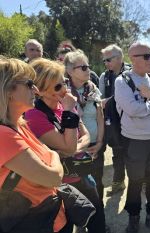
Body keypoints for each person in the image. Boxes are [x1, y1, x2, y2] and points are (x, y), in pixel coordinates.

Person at [25, 58, 106, 233]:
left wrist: (70, 148)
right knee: (66, 225)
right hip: (60, 185)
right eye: (57, 87)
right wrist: (69, 113)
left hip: (82, 174)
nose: (64, 90)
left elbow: (85, 135)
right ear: (39, 91)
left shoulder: (63, 105)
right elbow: (70, 146)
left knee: (97, 219)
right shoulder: (35, 115)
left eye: (64, 83)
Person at [0, 58, 66, 232]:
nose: (36, 90)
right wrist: (56, 156)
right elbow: (52, 178)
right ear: (8, 90)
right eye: (29, 84)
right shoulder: (4, 135)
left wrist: (52, 157)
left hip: (49, 217)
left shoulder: (19, 124)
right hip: (34, 223)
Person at [115, 42, 150, 233]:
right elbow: (132, 109)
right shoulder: (122, 81)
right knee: (135, 182)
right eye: (147, 56)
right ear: (133, 58)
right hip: (134, 141)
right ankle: (133, 218)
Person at [63, 50, 105, 205]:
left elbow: (100, 117)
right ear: (69, 71)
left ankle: (97, 217)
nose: (88, 70)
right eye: (83, 67)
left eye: (88, 66)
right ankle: (81, 222)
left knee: (97, 183)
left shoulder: (93, 89)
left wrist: (100, 143)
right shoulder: (62, 92)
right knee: (77, 186)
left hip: (95, 146)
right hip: (74, 147)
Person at [99, 44, 131, 195]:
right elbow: (102, 97)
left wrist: (108, 100)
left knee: (136, 153)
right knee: (117, 152)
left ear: (119, 58)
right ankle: (118, 183)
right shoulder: (105, 76)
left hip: (132, 121)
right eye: (104, 60)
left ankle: (143, 183)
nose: (106, 63)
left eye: (108, 59)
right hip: (113, 121)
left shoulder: (132, 74)